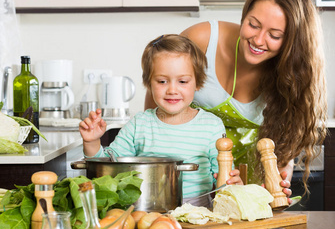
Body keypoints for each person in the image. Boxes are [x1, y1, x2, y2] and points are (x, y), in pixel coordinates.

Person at [145, 0, 328, 200]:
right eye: (253, 24)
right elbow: (155, 110)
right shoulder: (202, 40)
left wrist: (281, 173)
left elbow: (282, 145)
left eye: (275, 35)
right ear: (244, 15)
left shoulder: (293, 76)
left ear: (292, 42)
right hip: (185, 183)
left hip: (248, 189)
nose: (258, 40)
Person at [79, 34, 233, 207]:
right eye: (162, 81)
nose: (172, 90)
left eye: (182, 81)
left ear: (197, 83)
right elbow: (108, 165)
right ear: (148, 83)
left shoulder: (211, 126)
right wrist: (92, 142)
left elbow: (224, 179)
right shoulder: (139, 125)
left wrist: (234, 185)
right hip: (146, 212)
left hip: (199, 214)